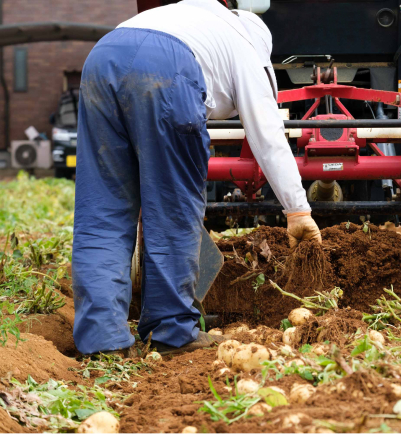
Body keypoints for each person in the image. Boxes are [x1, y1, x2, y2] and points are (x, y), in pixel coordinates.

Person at [72, 0, 321, 356]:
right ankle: (171, 330)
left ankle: (101, 340)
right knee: (171, 208)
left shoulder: (195, 17)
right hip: (167, 69)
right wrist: (297, 211)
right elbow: (267, 135)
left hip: (103, 57)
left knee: (103, 209)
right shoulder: (247, 48)